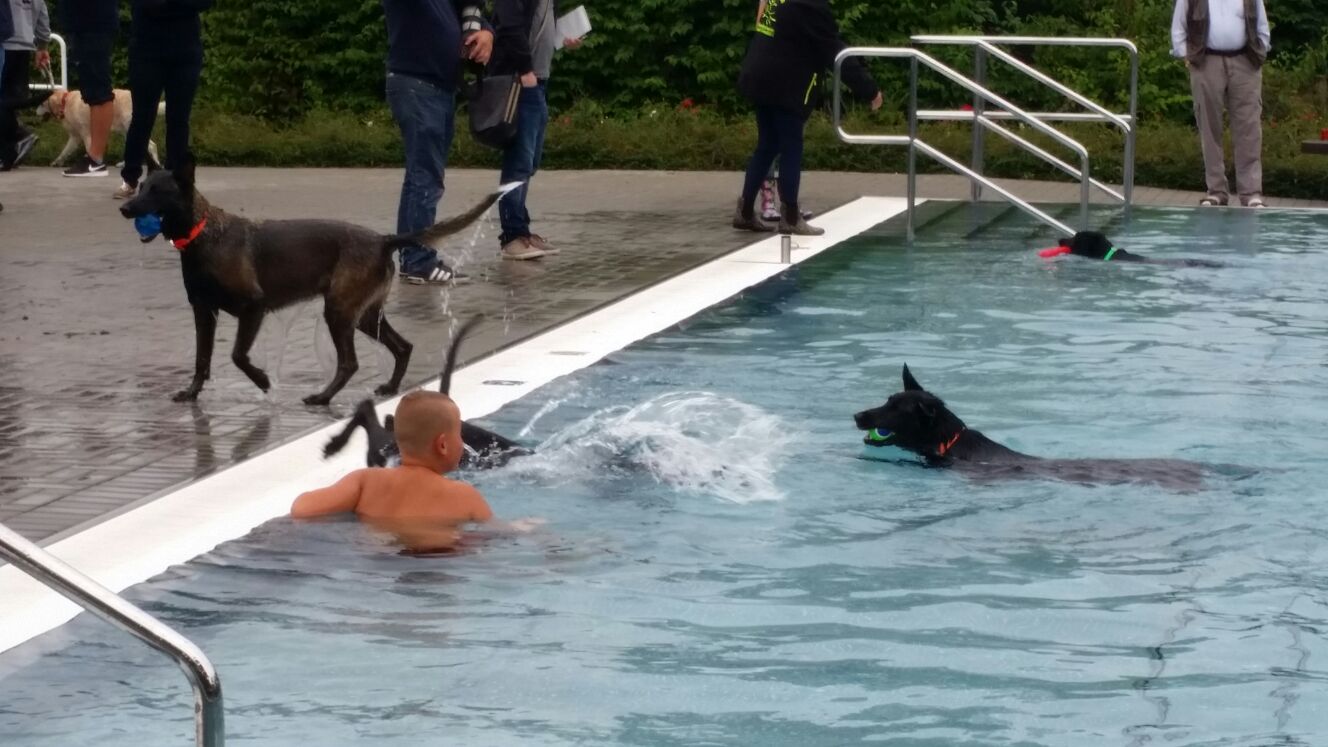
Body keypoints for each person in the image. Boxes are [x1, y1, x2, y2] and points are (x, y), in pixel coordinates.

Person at [735, 0, 882, 235]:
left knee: (767, 145)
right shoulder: (812, 6)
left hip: (760, 76)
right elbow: (835, 52)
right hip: (786, 85)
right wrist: (869, 90)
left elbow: (764, 27)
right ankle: (791, 217)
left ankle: (744, 211)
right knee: (791, 147)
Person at [291, 391, 494, 553]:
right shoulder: (463, 495)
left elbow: (302, 509)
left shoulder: (366, 481)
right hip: (439, 559)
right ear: (443, 445)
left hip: (378, 557)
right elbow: (495, 535)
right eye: (459, 435)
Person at [383, 0, 494, 284]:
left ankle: (414, 257)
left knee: (425, 176)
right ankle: (417, 261)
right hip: (416, 84)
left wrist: (486, 33)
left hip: (440, 88)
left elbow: (470, 10)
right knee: (424, 176)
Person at [486, 0, 582, 261]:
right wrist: (525, 69)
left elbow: (538, 28)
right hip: (521, 80)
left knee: (530, 161)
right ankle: (512, 237)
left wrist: (563, 38)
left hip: (538, 80)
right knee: (519, 161)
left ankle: (522, 232)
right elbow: (509, 25)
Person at [1171, 0, 1270, 208]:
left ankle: (1251, 193)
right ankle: (1216, 191)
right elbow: (1179, 25)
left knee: (1249, 128)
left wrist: (1261, 49)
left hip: (1245, 60)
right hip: (1205, 60)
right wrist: (1186, 55)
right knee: (1209, 127)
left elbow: (1261, 24)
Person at [114, 0, 212, 200]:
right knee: (142, 116)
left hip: (185, 50)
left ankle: (175, 177)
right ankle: (130, 177)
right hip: (146, 50)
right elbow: (146, 6)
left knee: (179, 118)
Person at [61, 0, 118, 177]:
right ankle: (94, 156)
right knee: (92, 91)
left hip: (94, 25)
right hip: (82, 26)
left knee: (98, 90)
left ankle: (96, 159)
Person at [0, 0, 49, 171]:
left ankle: (14, 142)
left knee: (4, 102)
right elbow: (41, 9)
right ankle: (17, 139)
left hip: (5, 41)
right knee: (10, 102)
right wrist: (42, 44)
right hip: (25, 44)